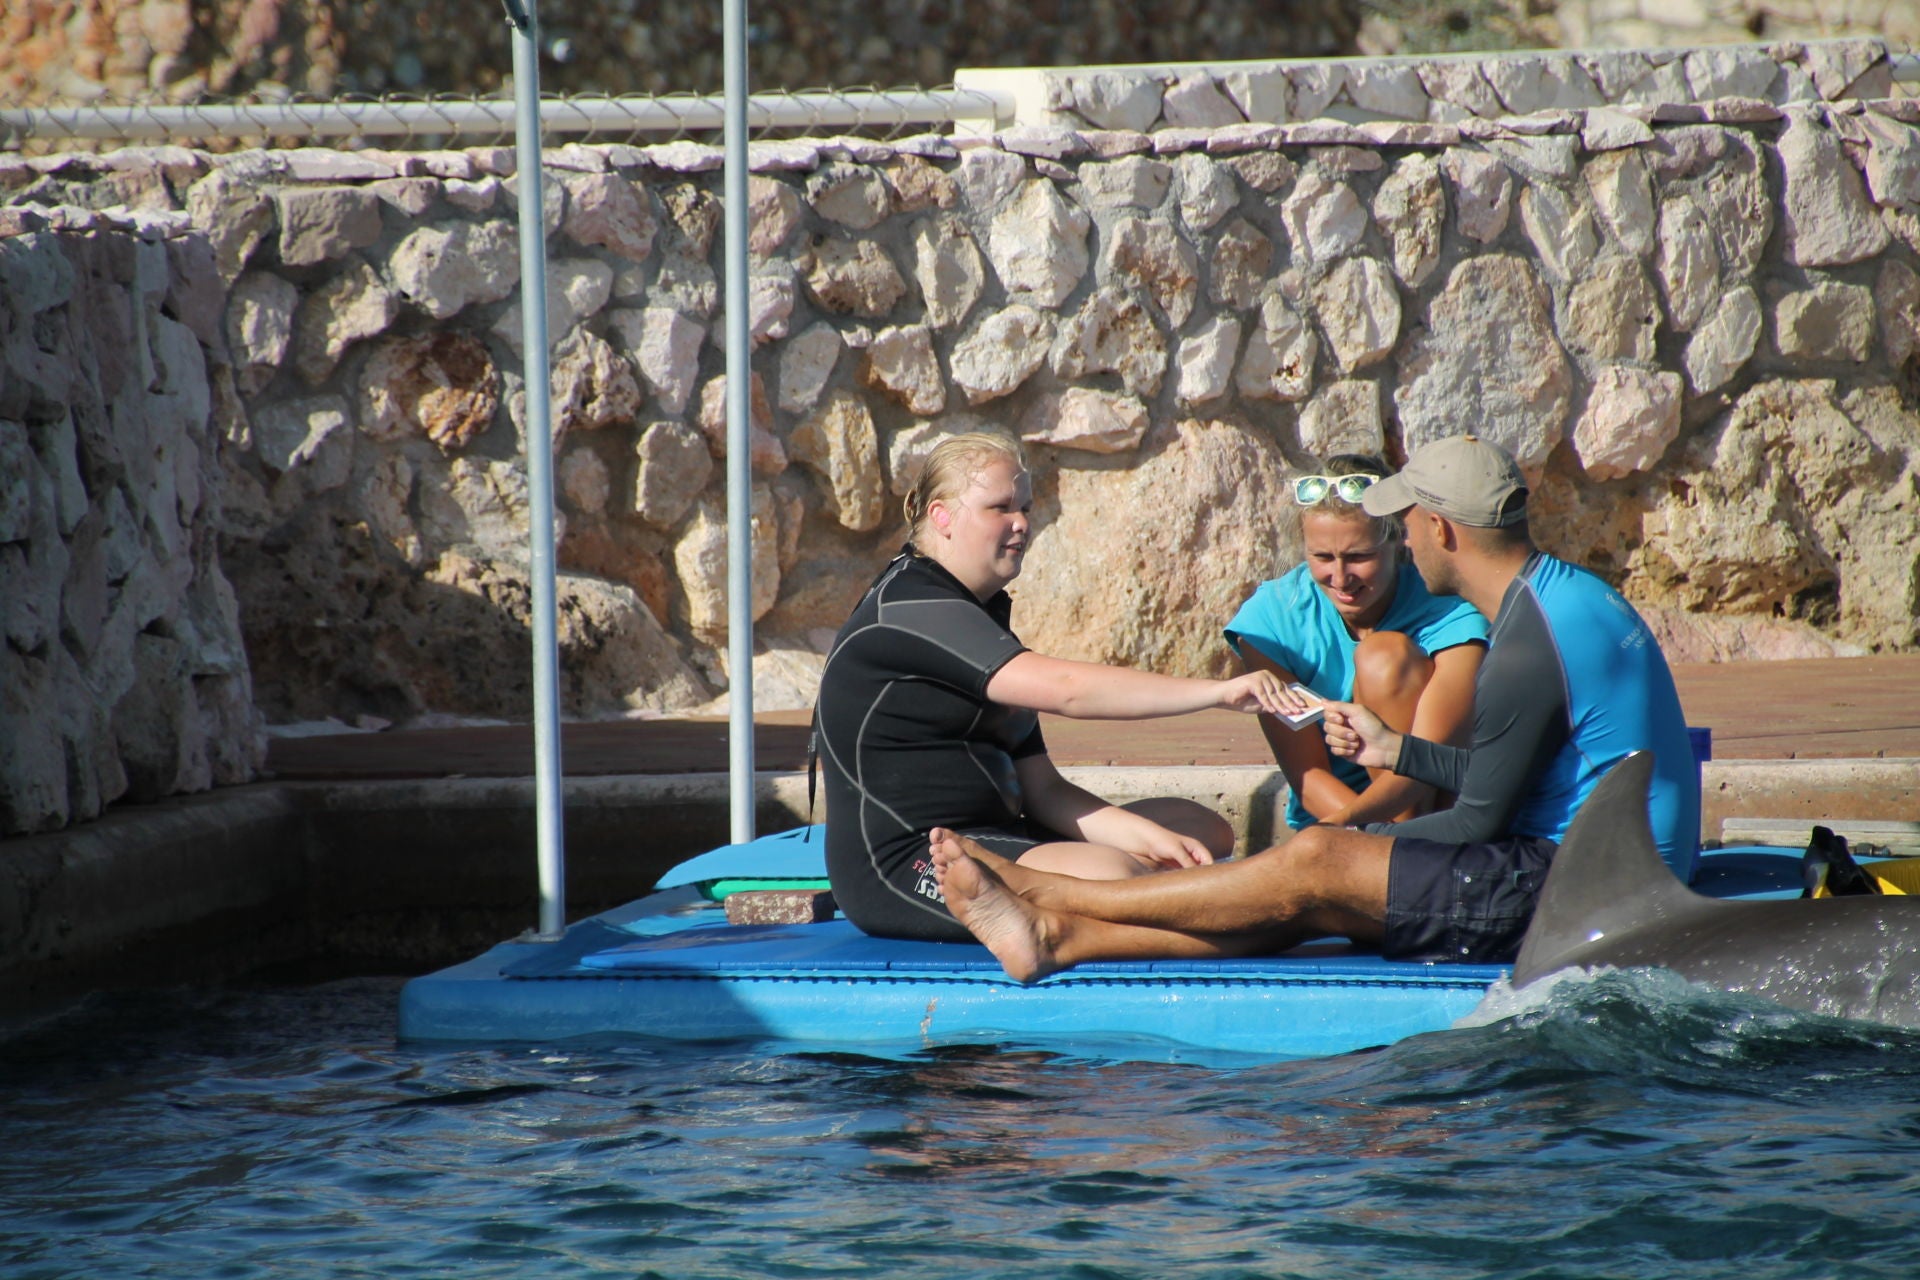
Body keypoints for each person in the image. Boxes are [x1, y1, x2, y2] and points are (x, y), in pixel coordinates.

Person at [929, 434, 1702, 978]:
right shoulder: (1567, 599)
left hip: (1586, 887)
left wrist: (1342, 858)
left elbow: (1478, 822)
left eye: (1405, 524)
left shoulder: (1528, 642)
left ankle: (1053, 895)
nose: (1403, 539)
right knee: (1310, 885)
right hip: (1612, 865)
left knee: (1316, 868)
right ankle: (1058, 935)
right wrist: (1397, 754)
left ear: (1438, 528)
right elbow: (1507, 776)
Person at [816, 431, 1293, 943]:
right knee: (1116, 875)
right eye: (1000, 507)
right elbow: (1068, 690)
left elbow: (1044, 791)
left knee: (1198, 828)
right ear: (942, 516)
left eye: (1024, 507)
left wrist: (1152, 841)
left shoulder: (979, 619)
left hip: (1000, 835)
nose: (1021, 522)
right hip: (907, 863)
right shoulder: (911, 608)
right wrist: (1217, 693)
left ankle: (1120, 896)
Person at [1226, 453, 1486, 829]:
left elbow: (1433, 758)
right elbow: (1308, 775)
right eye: (1322, 557)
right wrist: (1367, 836)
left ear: (1397, 540)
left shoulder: (1450, 604)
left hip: (1438, 810)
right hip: (1342, 821)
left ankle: (1408, 853)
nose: (1340, 578)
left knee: (1383, 657)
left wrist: (1395, 842)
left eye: (1359, 556)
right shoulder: (1270, 619)